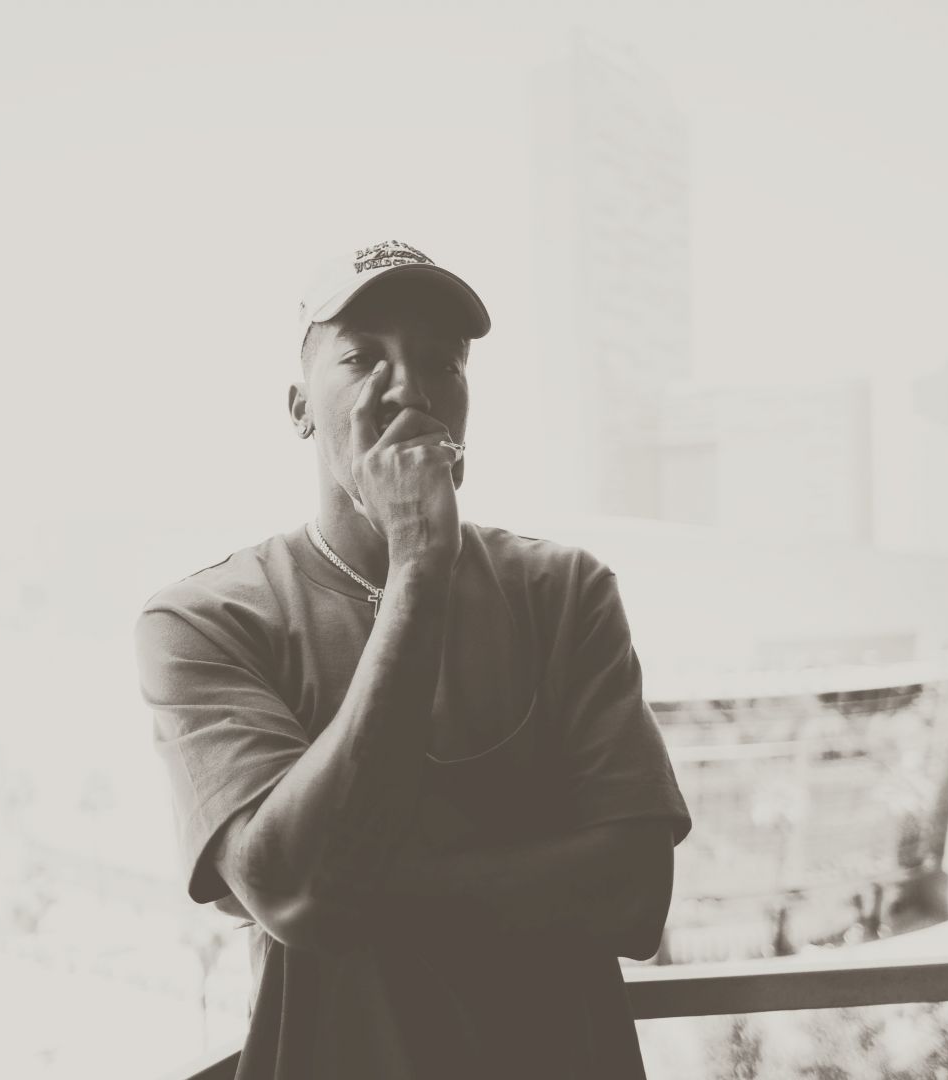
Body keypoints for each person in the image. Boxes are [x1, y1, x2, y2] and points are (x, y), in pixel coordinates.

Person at [134, 239, 692, 1079]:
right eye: (363, 358)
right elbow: (300, 891)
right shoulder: (205, 620)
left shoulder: (564, 591)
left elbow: (635, 896)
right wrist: (420, 566)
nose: (408, 388)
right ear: (299, 407)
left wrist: (357, 895)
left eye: (441, 363)